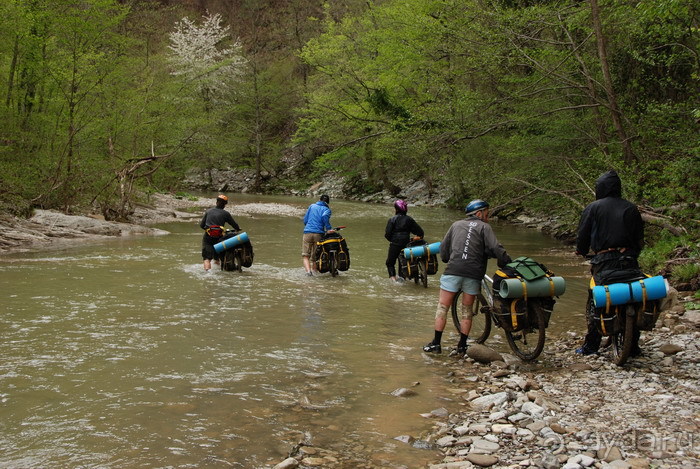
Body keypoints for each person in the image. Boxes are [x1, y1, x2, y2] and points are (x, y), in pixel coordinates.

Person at [423, 199, 511, 356]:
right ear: (479, 213)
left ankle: (436, 344)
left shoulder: (456, 225)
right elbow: (495, 247)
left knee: (443, 308)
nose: (487, 217)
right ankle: (462, 346)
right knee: (467, 310)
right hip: (473, 273)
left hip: (453, 270)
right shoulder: (485, 227)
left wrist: (446, 259)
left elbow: (444, 248)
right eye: (486, 213)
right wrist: (505, 262)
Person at [575, 169, 645, 355]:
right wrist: (632, 252)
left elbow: (583, 234)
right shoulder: (631, 208)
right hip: (629, 259)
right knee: (634, 297)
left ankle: (591, 345)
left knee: (595, 299)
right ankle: (633, 345)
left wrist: (581, 251)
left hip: (604, 260)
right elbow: (639, 238)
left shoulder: (593, 207)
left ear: (600, 188)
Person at [384, 199, 424, 282]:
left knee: (390, 263)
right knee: (403, 262)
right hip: (407, 243)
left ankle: (393, 279)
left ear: (396, 209)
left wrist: (393, 240)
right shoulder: (409, 219)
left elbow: (387, 234)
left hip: (395, 243)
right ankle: (403, 278)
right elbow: (420, 232)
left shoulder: (392, 219)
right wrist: (413, 238)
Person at [200, 194, 241, 271]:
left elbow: (202, 225)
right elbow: (234, 225)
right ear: (225, 205)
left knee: (207, 258)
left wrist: (209, 229)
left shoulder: (209, 211)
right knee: (217, 258)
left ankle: (207, 273)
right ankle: (217, 266)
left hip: (208, 237)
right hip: (219, 238)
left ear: (216, 202)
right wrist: (238, 229)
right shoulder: (225, 214)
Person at [302, 194, 332, 276]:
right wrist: (329, 229)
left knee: (305, 255)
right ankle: (315, 272)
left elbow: (305, 220)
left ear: (319, 199)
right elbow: (325, 217)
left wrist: (308, 226)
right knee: (315, 256)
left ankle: (308, 272)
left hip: (307, 232)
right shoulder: (327, 209)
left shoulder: (312, 206)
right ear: (328, 202)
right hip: (319, 234)